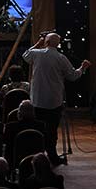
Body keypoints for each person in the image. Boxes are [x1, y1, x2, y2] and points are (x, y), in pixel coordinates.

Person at [22, 32, 90, 163]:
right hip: (54, 101)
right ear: (58, 44)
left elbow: (25, 56)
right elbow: (73, 76)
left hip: (37, 100)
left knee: (37, 129)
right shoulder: (61, 58)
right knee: (52, 131)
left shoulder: (36, 53)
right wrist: (83, 67)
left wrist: (38, 43)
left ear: (45, 42)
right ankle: (52, 157)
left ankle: (36, 156)